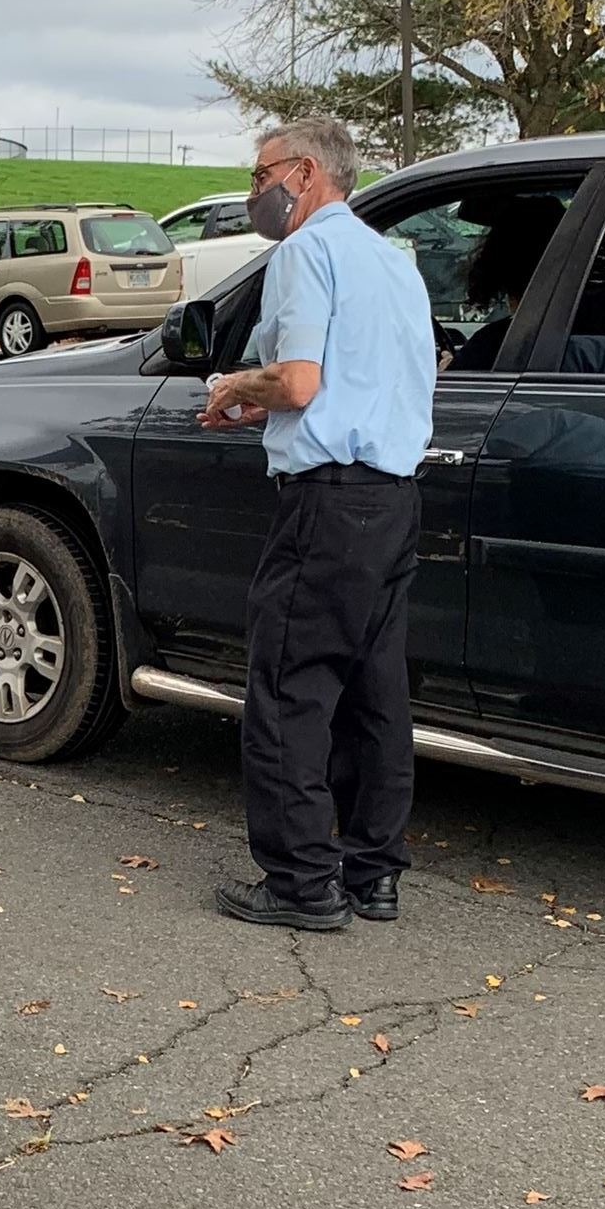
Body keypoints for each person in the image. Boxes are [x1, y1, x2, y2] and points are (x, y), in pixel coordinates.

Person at [198, 116, 435, 931]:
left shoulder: (303, 253)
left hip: (327, 501)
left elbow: (298, 383)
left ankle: (300, 882)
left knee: (290, 688)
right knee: (377, 692)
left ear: (303, 173)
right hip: (395, 497)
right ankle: (375, 873)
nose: (253, 190)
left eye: (261, 174)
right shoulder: (396, 264)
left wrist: (233, 390)